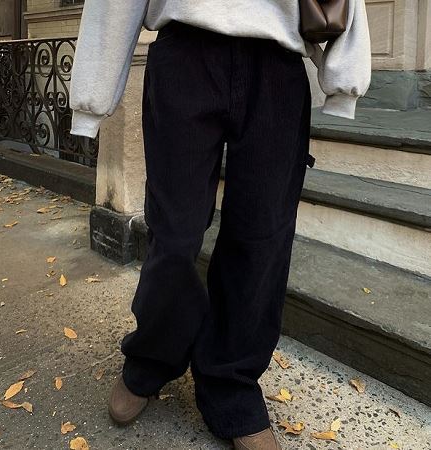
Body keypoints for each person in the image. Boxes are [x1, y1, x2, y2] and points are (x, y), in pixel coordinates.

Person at [69, 1, 371, 448]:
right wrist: (92, 98)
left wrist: (345, 75)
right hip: (185, 55)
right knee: (174, 232)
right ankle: (151, 359)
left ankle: (231, 385)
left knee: (262, 235)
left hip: (277, 64)